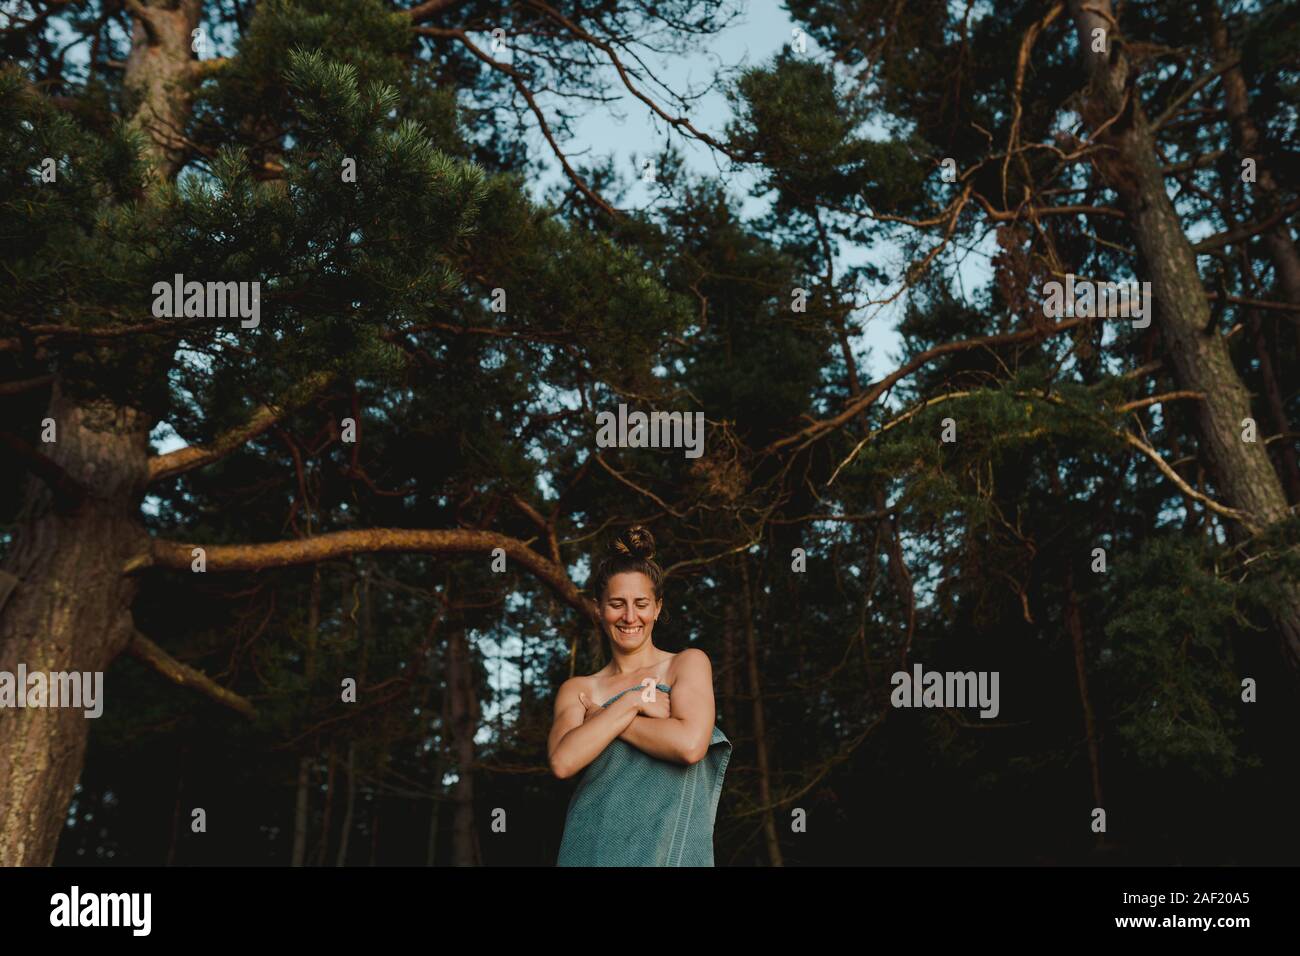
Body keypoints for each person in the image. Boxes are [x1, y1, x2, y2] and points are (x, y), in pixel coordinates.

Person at [548, 526, 732, 866]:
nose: (630, 617)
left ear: (658, 608)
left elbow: (690, 745)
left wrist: (604, 719)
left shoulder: (686, 664)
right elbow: (563, 761)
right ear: (599, 608)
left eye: (641, 604)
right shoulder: (580, 689)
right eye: (617, 604)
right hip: (591, 850)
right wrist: (634, 702)